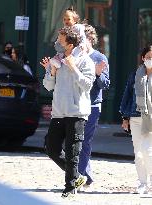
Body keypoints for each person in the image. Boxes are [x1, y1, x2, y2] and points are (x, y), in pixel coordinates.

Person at [41, 27, 95, 198]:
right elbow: (48, 86)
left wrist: (74, 68)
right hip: (58, 112)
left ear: (70, 44)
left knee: (73, 151)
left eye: (60, 40)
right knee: (51, 148)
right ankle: (77, 176)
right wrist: (52, 71)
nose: (57, 42)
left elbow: (87, 85)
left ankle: (69, 188)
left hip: (76, 113)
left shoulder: (85, 61)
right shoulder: (57, 60)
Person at [78, 24, 110, 189]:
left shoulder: (100, 57)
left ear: (90, 39)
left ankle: (81, 175)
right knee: (75, 140)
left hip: (92, 105)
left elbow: (105, 84)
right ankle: (86, 174)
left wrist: (98, 73)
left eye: (82, 38)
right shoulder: (75, 56)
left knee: (84, 140)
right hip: (75, 103)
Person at [134, 44, 152, 194]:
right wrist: (124, 116)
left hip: (151, 119)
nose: (150, 60)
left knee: (148, 151)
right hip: (136, 116)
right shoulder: (137, 74)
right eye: (148, 57)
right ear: (143, 58)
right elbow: (128, 95)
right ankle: (142, 182)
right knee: (138, 153)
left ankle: (151, 179)